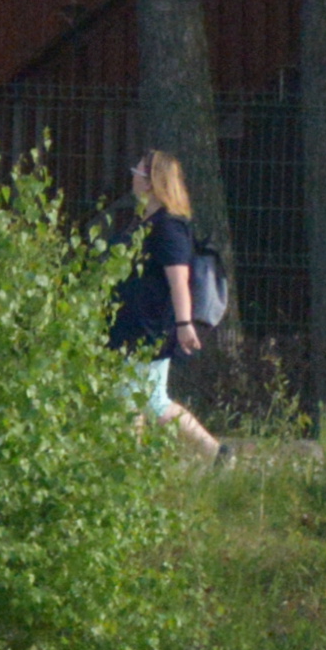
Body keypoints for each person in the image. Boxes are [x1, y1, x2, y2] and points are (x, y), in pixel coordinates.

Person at [112, 150, 230, 468]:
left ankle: (216, 454)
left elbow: (179, 280)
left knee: (151, 400)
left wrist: (184, 324)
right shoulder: (145, 221)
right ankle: (130, 465)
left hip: (149, 328)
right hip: (132, 324)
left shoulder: (168, 227)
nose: (133, 175)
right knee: (129, 398)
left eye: (137, 171)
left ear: (152, 182)